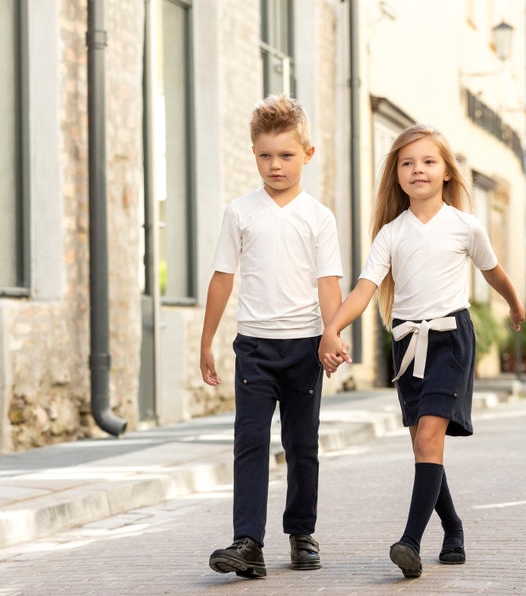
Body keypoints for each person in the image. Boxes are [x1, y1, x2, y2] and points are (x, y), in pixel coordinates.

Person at [319, 124, 525, 579]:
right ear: (396, 174)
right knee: (422, 444)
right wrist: (332, 328)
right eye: (407, 163)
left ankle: (409, 542)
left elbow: (493, 272)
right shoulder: (391, 234)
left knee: (429, 439)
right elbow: (363, 290)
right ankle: (453, 527)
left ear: (447, 172)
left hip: (452, 340)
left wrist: (514, 304)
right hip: (408, 345)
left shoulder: (465, 226)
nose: (418, 170)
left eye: (429, 162)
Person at [200, 94, 343, 579]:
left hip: (304, 347)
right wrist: (206, 342)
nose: (275, 165)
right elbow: (222, 277)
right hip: (255, 348)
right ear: (253, 154)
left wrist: (332, 334)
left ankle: (302, 533)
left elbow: (328, 283)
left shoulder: (318, 217)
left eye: (286, 155)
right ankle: (248, 542)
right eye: (265, 155)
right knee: (250, 442)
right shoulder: (240, 212)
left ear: (308, 154)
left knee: (303, 444)